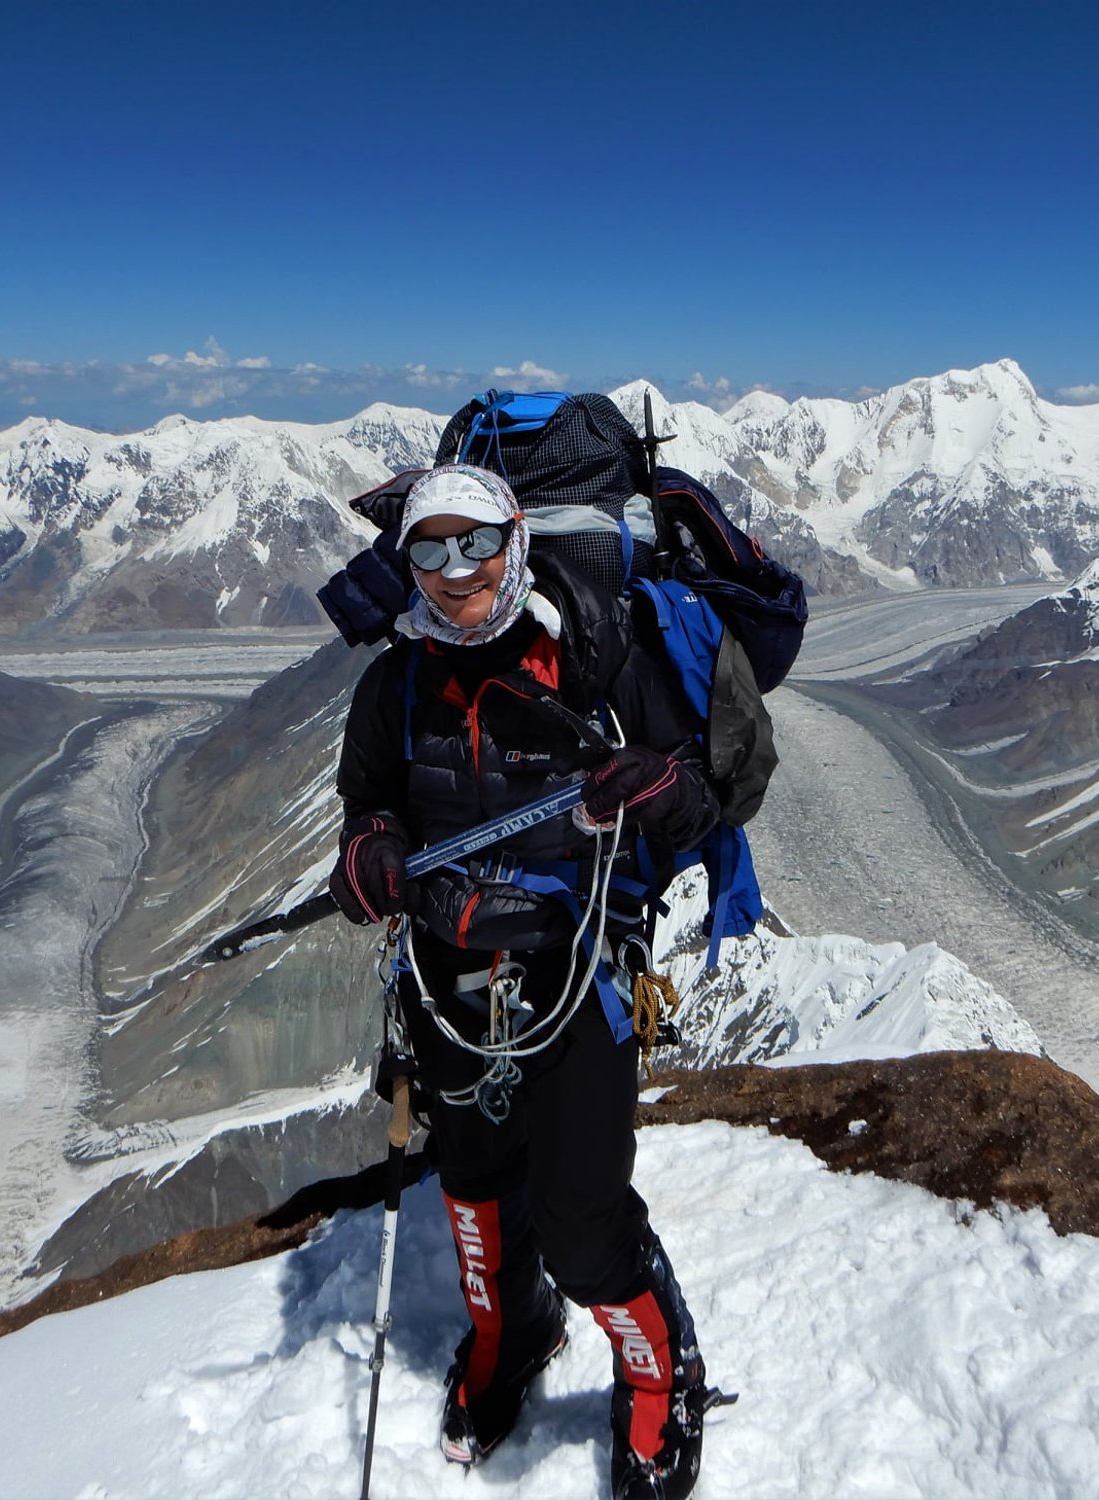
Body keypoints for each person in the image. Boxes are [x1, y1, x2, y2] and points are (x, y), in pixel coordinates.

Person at [330, 462, 725, 1500]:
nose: (456, 571)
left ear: (515, 539)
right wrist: (369, 852)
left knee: (582, 1219)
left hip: (575, 969)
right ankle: (512, 1335)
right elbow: (367, 803)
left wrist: (655, 788)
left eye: (475, 544)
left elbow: (694, 809)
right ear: (404, 559)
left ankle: (659, 1374)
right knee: (473, 1191)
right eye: (430, 549)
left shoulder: (597, 658)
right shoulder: (396, 682)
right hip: (447, 976)